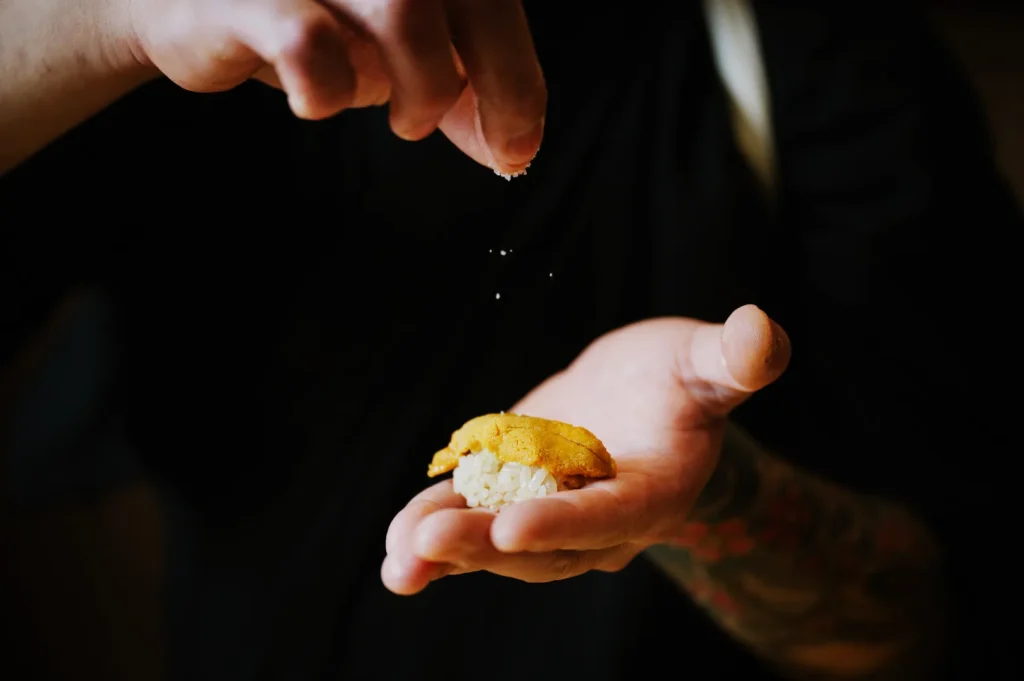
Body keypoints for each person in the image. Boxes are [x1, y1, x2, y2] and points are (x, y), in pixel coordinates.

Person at [0, 1, 1017, 680]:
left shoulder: (819, 58)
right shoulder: (183, 55)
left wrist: (714, 495)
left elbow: (921, 623)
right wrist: (98, 24)